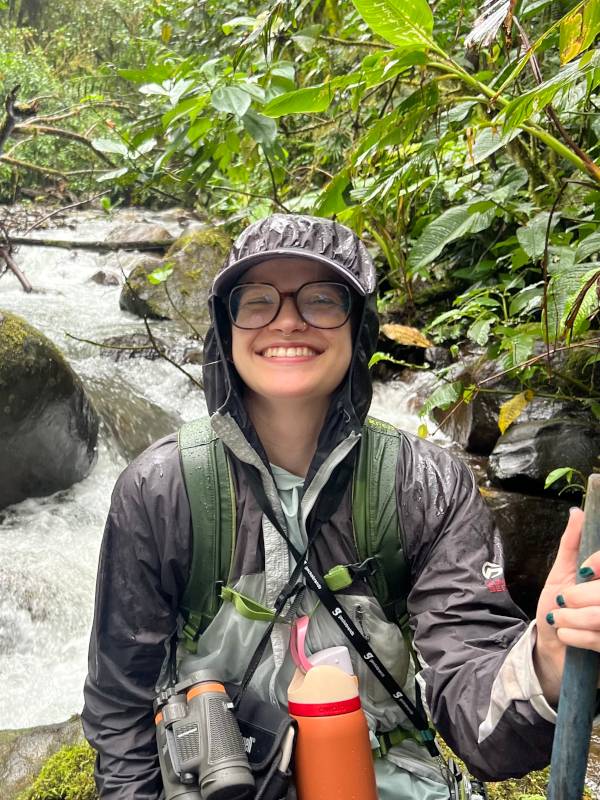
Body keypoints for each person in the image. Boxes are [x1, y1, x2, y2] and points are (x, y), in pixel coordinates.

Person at [83, 213, 595, 799]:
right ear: (226, 329)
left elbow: (473, 701)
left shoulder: (426, 483)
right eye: (257, 301)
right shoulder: (160, 487)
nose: (288, 321)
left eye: (322, 299)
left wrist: (549, 662)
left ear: (361, 328)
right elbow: (120, 707)